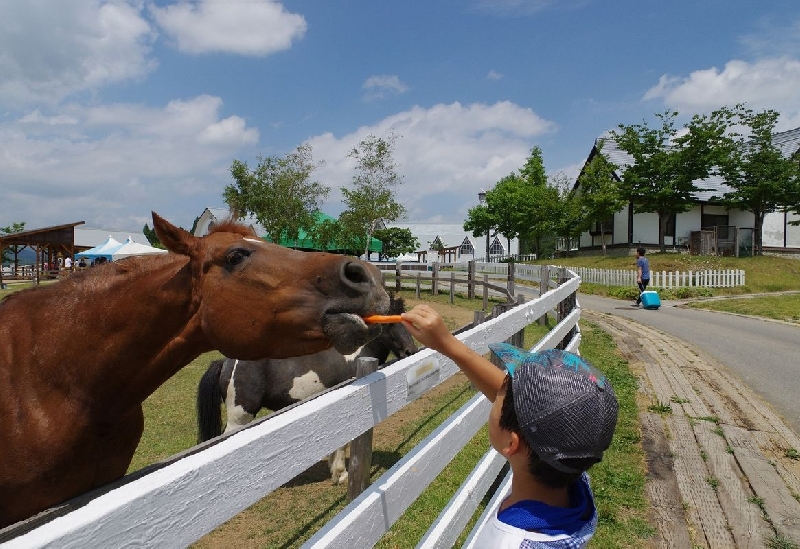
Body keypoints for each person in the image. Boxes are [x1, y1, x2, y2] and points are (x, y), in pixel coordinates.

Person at [401, 305, 619, 548]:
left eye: (501, 397)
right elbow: (520, 408)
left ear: (512, 443)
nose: (496, 393)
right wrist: (446, 343)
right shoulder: (573, 478)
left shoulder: (508, 543)